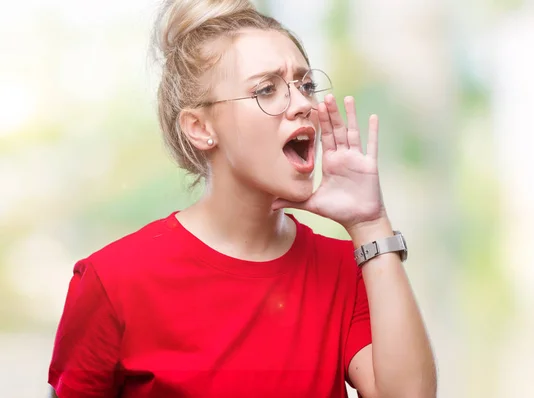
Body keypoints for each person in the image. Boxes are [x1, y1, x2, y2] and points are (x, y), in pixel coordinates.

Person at [48, 0, 436, 397]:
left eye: (305, 85)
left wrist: (369, 224)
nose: (304, 105)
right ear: (200, 128)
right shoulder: (113, 282)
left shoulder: (347, 269)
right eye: (266, 89)